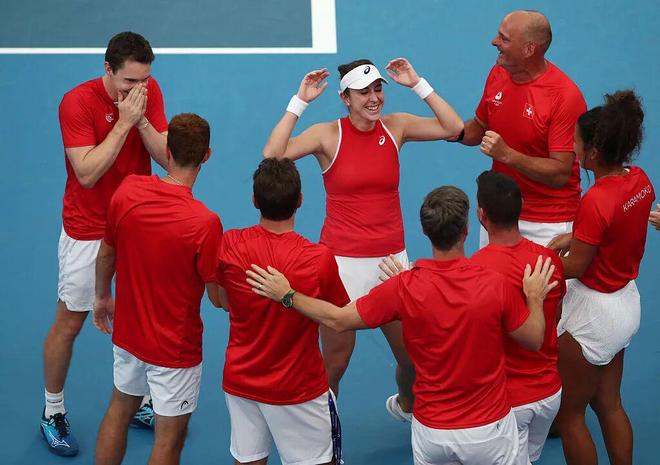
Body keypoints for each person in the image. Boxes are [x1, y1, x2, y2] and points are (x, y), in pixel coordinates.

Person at [247, 185, 558, 465]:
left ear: (424, 231)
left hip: (433, 433)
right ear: (466, 230)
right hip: (489, 430)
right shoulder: (494, 284)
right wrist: (533, 297)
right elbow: (534, 339)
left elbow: (337, 319)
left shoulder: (403, 288)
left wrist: (287, 295)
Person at [263, 57, 464, 418]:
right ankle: (323, 434)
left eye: (377, 90)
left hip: (391, 264)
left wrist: (417, 83)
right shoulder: (327, 135)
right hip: (340, 266)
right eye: (363, 93)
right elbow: (273, 154)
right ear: (345, 98)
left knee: (412, 357)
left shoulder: (396, 126)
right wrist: (300, 101)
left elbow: (454, 127)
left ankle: (406, 405)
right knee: (335, 363)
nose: (373, 99)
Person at [40, 31, 168, 456]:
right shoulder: (76, 103)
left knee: (139, 318)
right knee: (70, 323)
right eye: (130, 81)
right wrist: (126, 123)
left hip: (136, 224)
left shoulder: (148, 92)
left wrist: (142, 119)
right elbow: (88, 173)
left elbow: (168, 159)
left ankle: (138, 402)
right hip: (88, 229)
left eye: (144, 80)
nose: (138, 89)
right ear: (107, 70)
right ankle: (52, 411)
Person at [93, 113, 222, 465]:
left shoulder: (128, 191)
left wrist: (102, 296)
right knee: (169, 440)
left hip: (129, 334)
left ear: (166, 150)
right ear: (207, 155)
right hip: (175, 350)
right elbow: (217, 296)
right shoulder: (205, 223)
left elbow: (107, 252)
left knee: (120, 409)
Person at [212, 158, 349, 465]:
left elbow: (221, 300)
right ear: (300, 201)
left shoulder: (230, 244)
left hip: (241, 381)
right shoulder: (318, 259)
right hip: (298, 389)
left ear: (255, 201)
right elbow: (338, 318)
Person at [547, 90, 655, 465]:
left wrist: (535, 264)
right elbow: (617, 228)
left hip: (593, 317)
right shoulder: (640, 181)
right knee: (609, 403)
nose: (572, 147)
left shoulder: (595, 200)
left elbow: (576, 266)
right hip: (625, 304)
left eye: (576, 142)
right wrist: (577, 237)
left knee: (569, 414)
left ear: (592, 152)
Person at [458, 10, 586, 247]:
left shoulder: (564, 97)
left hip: (548, 224)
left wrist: (508, 155)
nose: (494, 42)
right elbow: (479, 127)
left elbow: (560, 173)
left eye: (504, 39)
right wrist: (450, 131)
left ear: (529, 49)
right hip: (499, 215)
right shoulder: (499, 73)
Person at [470, 171, 565, 465]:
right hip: (549, 396)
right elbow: (555, 318)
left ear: (482, 215)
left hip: (508, 402)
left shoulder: (475, 270)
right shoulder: (548, 260)